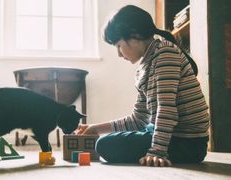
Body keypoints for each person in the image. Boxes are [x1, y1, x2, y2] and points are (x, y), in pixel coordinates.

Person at [76, 5, 209, 167]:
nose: (119, 53)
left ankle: (157, 147)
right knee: (105, 142)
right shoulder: (144, 67)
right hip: (167, 136)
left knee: (105, 145)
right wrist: (95, 128)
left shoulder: (165, 53)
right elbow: (139, 119)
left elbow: (166, 109)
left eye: (118, 45)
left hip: (188, 143)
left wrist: (157, 151)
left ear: (134, 35)